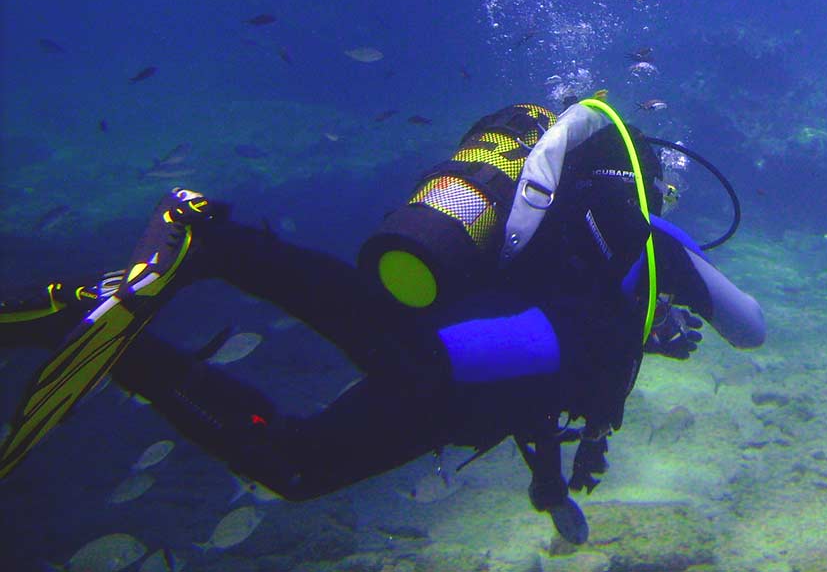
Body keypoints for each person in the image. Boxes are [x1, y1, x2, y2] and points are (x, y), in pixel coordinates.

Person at [0, 98, 764, 543]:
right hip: (463, 367)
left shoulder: (584, 242)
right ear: (649, 186)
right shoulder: (657, 244)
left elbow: (550, 389)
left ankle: (99, 338)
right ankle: (213, 242)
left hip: (463, 384)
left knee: (299, 466)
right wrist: (671, 284)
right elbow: (752, 325)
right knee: (365, 377)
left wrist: (553, 488)